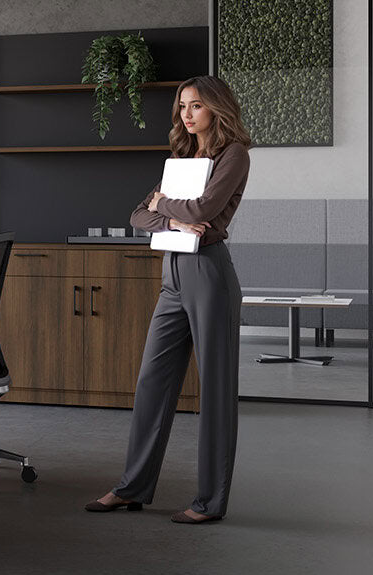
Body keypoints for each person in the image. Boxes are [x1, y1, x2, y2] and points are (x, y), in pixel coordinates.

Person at [87, 75, 252, 524]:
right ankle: (133, 487)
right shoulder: (182, 158)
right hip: (172, 274)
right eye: (182, 106)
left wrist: (165, 205)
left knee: (215, 389)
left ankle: (210, 502)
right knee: (152, 381)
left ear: (216, 107)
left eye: (196, 105)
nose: (187, 114)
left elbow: (203, 210)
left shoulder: (233, 155)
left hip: (209, 273)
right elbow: (137, 215)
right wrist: (173, 221)